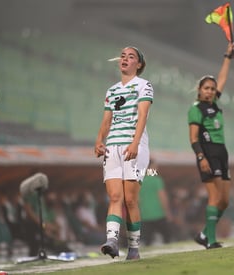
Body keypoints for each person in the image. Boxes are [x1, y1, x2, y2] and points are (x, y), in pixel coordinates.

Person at [94, 46, 153, 260]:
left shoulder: (144, 86)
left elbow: (143, 115)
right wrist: (99, 140)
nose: (125, 59)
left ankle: (134, 248)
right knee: (115, 196)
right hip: (113, 147)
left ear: (139, 64)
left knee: (130, 200)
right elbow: (106, 120)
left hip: (133, 146)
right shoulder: (111, 90)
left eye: (131, 57)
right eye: (122, 56)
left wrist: (135, 143)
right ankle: (111, 240)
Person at [188, 42, 234, 249]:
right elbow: (193, 138)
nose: (210, 91)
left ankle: (204, 234)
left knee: (224, 201)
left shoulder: (214, 104)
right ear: (199, 90)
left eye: (212, 89)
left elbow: (223, 78)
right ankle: (211, 240)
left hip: (222, 153)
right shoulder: (196, 109)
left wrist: (227, 56)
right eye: (206, 88)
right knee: (214, 197)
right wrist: (201, 157)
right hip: (207, 153)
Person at [139, 158, 173, 246]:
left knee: (147, 241)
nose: (156, 169)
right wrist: (167, 212)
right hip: (159, 213)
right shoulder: (157, 180)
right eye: (155, 167)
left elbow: (137, 199)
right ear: (149, 167)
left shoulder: (139, 181)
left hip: (145, 214)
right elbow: (163, 197)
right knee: (167, 238)